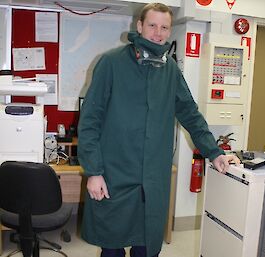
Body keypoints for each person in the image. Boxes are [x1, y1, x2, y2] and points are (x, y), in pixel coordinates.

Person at [78, 3, 240, 257]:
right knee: (112, 247)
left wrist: (214, 152)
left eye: (165, 27)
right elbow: (89, 122)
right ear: (139, 26)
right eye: (152, 25)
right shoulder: (111, 63)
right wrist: (94, 171)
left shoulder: (170, 70)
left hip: (152, 180)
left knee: (147, 246)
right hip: (114, 175)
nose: (158, 33)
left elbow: (190, 114)